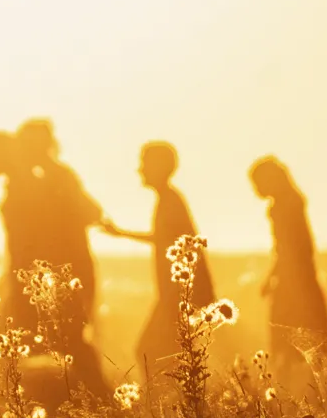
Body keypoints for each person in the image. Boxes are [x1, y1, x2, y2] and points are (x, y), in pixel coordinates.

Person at [15, 118, 108, 396]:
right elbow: (92, 212)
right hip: (65, 271)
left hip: (70, 272)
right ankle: (93, 400)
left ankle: (101, 399)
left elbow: (91, 212)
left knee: (72, 339)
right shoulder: (53, 177)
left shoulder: (56, 178)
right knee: (68, 340)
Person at [102, 141, 215, 370]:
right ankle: (174, 392)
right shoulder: (168, 199)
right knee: (163, 353)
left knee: (149, 351)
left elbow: (179, 242)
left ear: (160, 167)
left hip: (177, 297)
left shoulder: (171, 201)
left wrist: (176, 296)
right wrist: (120, 233)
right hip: (175, 295)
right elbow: (165, 239)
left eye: (144, 163)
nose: (140, 170)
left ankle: (164, 393)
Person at [250, 156, 327, 373]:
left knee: (290, 340)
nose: (255, 189)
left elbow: (288, 248)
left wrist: (274, 277)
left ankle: (295, 383)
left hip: (293, 283)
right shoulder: (290, 203)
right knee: (305, 341)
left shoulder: (283, 207)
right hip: (300, 279)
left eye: (257, 183)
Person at [0, 130, 43, 331]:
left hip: (29, 273)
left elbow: (33, 236)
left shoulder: (26, 186)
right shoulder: (21, 183)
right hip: (21, 270)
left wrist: (22, 278)